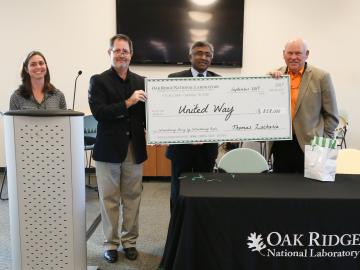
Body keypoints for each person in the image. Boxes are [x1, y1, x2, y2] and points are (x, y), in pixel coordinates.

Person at [88, 34, 147, 263]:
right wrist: (128, 102)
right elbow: (100, 113)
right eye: (117, 50)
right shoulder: (98, 81)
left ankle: (130, 242)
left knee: (133, 197)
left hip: (135, 148)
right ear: (109, 53)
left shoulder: (142, 81)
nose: (122, 54)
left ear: (131, 54)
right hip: (108, 150)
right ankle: (110, 244)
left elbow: (149, 115)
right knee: (109, 199)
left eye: (126, 51)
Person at [270, 38, 338, 173]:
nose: (293, 57)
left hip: (311, 144)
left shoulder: (321, 77)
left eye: (298, 53)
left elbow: (332, 115)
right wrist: (267, 80)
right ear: (284, 54)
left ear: (306, 54)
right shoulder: (275, 75)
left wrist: (324, 142)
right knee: (280, 189)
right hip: (281, 145)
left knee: (310, 190)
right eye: (289, 53)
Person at [166, 41, 220, 212]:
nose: (203, 57)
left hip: (207, 149)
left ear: (212, 58)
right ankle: (178, 232)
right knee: (178, 192)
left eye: (207, 54)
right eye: (198, 53)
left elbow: (221, 116)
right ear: (190, 56)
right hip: (181, 149)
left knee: (204, 192)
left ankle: (200, 232)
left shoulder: (220, 82)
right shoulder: (173, 79)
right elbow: (169, 113)